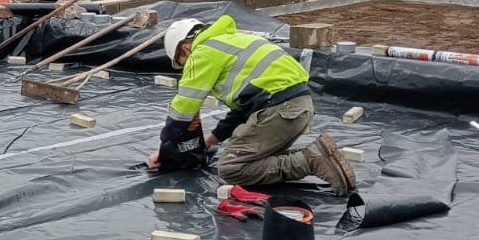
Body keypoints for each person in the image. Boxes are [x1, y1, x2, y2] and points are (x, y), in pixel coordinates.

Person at [147, 15, 357, 193]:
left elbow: (182, 111)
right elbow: (241, 113)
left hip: (279, 111)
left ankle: (309, 160)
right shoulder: (233, 40)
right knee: (255, 156)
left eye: (181, 61)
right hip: (299, 108)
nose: (185, 67)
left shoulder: (203, 52)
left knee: (231, 168)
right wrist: (210, 142)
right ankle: (317, 155)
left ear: (185, 48)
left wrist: (164, 152)